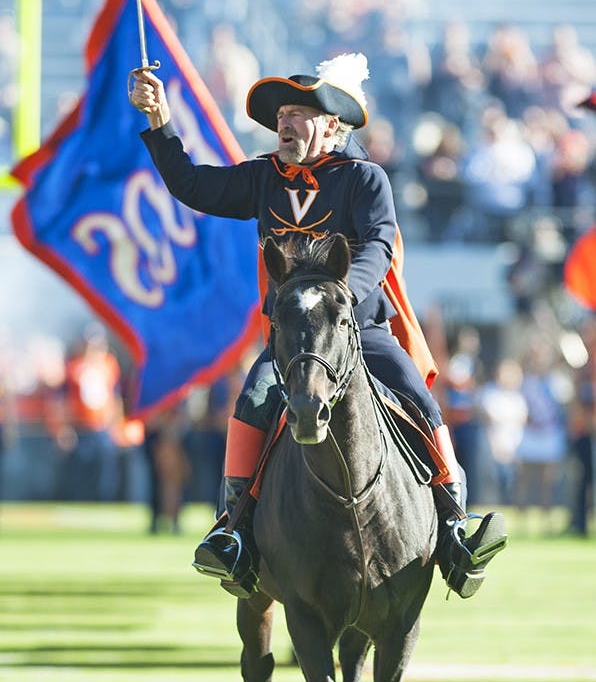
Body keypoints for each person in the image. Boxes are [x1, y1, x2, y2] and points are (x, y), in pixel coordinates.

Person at [130, 52, 507, 599]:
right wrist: (160, 122)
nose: (284, 121)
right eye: (281, 112)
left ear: (331, 125)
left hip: (360, 331)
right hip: (290, 341)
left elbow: (379, 244)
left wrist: (341, 296)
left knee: (420, 400)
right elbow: (190, 184)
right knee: (253, 398)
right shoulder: (262, 177)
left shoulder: (365, 179)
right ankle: (232, 530)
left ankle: (453, 529)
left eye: (297, 113)